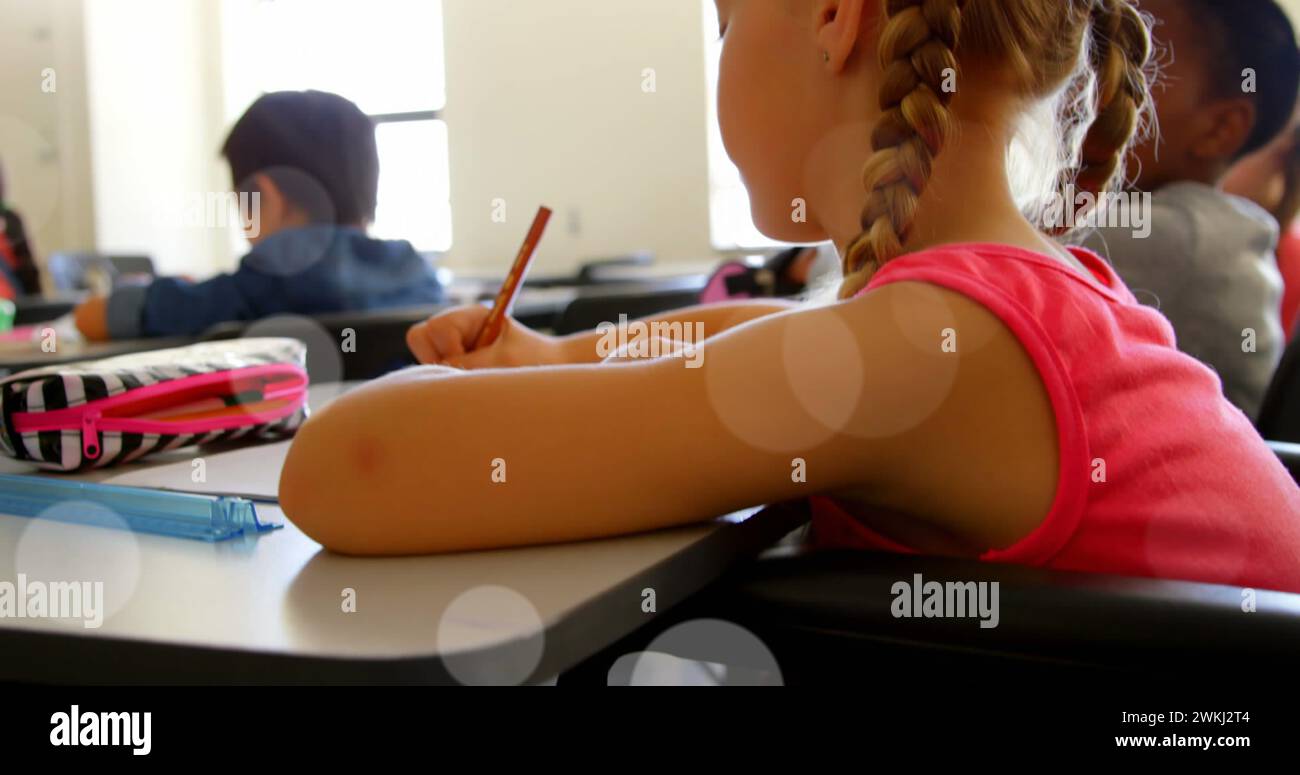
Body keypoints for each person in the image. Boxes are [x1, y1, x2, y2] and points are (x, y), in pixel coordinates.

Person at [280, 0, 1300, 593]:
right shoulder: (995, 300)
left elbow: (341, 467)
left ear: (830, 17)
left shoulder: (930, 348)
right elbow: (786, 332)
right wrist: (551, 363)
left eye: (724, 24)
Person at [74, 90, 443, 340]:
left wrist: (164, 290)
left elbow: (94, 319)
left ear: (267, 194)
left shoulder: (265, 282)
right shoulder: (418, 274)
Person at [1082, 0, 1300, 418]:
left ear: (1219, 129)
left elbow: (1000, 238)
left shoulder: (1189, 237)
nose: (1091, 69)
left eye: (1134, 55)